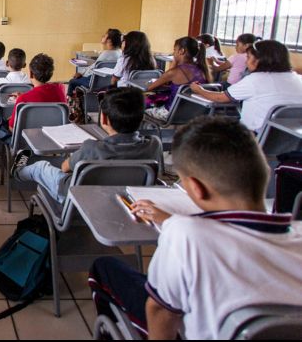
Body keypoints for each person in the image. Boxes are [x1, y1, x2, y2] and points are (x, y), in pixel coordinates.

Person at [88, 117, 302, 340]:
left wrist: (175, 223)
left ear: (196, 188)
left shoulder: (185, 235)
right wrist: (170, 220)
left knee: (104, 267)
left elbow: (160, 311)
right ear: (265, 171)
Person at [11, 87, 162, 203]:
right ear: (142, 117)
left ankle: (18, 171)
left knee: (41, 167)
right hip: (123, 201)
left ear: (104, 119)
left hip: (75, 199)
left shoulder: (92, 148)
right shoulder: (154, 145)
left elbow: (64, 168)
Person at [0, 53, 67, 187]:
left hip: (24, 142)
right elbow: (42, 96)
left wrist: (21, 101)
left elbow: (12, 129)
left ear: (31, 73)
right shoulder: (60, 90)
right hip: (52, 141)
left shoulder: (24, 100)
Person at [191, 40, 302, 132]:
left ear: (259, 60)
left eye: (248, 57)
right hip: (290, 139)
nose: (246, 62)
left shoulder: (255, 80)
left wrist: (199, 90)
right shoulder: (298, 79)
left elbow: (220, 98)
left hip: (253, 136)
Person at [145, 37, 210, 119]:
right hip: (194, 113)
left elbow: (149, 88)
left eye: (175, 49)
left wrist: (174, 62)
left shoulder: (174, 72)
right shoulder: (202, 69)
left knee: (144, 104)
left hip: (171, 113)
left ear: (181, 51)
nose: (173, 52)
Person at [67, 29, 123, 96]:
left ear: (109, 40)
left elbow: (93, 69)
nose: (102, 37)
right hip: (111, 83)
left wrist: (81, 74)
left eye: (105, 36)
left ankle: (70, 101)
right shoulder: (121, 53)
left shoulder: (105, 54)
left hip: (95, 83)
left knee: (72, 81)